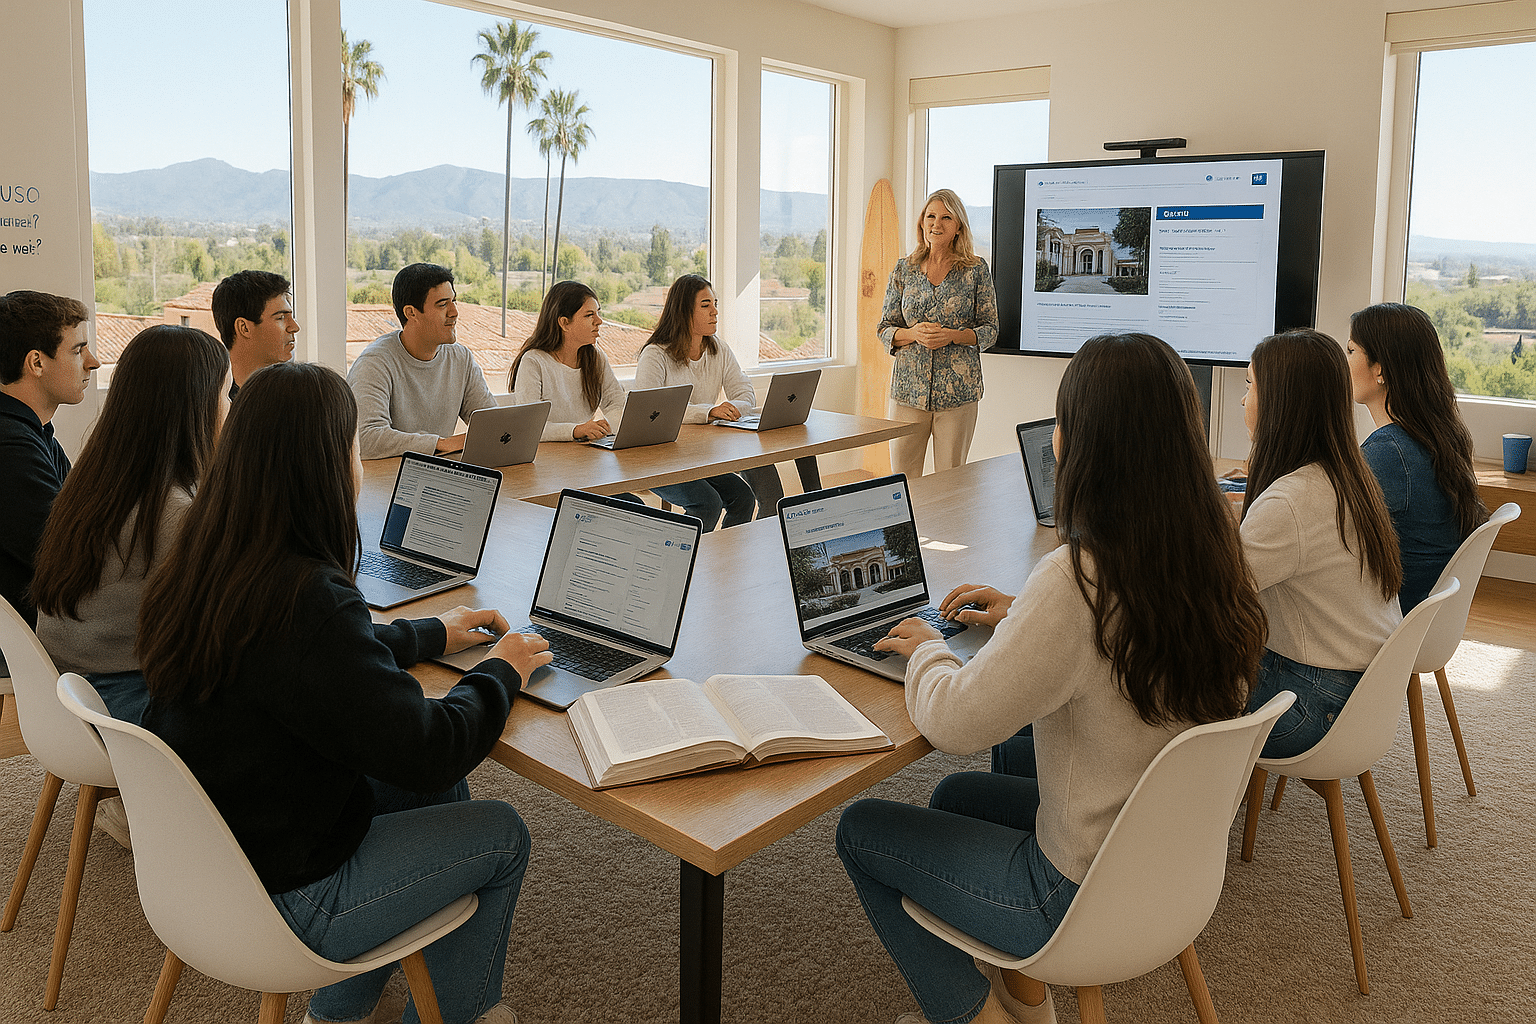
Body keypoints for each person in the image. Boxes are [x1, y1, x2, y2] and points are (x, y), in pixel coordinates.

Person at [837, 333, 1266, 1024]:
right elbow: (1106, 652)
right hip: (1170, 868)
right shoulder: (1217, 558)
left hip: (1075, 895)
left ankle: (984, 1020)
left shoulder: (1079, 581)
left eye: (1063, 421)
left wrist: (925, 650)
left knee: (860, 829)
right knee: (957, 795)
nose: (1057, 436)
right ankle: (1026, 1002)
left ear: (1090, 443)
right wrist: (1019, 619)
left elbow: (953, 722)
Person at [137, 361, 550, 1024]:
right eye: (354, 447)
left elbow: (313, 665)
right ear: (326, 465)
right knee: (501, 834)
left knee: (428, 798)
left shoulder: (211, 566)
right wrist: (501, 670)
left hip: (214, 862)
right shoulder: (307, 596)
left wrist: (430, 635)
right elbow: (429, 749)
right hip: (287, 898)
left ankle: (340, 1014)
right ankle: (460, 1014)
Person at [33, 326, 230, 728]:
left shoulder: (98, 478)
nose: (232, 408)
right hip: (123, 703)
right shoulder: (172, 511)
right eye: (227, 394)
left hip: (68, 689)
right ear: (199, 404)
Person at [1239, 328, 1403, 758]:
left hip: (1312, 703)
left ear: (1279, 401)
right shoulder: (1346, 473)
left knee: (1149, 702)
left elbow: (1212, 599)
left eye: (1250, 385)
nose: (1243, 400)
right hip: (1357, 692)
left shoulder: (1290, 502)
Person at [1348, 302, 1488, 611]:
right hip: (1421, 620)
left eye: (1351, 351)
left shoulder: (1388, 454)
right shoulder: (1437, 438)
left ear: (1379, 368)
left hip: (1389, 621)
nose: (1345, 363)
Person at [0, 290, 96, 678]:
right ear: (36, 362)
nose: (93, 362)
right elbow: (70, 556)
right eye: (78, 351)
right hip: (32, 650)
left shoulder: (36, 435)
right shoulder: (10, 445)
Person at [878, 188, 998, 478]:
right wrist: (913, 333)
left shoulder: (976, 270)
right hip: (908, 394)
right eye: (930, 216)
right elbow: (885, 328)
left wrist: (953, 335)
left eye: (946, 217)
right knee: (903, 484)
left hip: (958, 395)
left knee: (950, 484)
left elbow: (990, 330)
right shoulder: (903, 269)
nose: (936, 224)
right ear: (921, 223)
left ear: (958, 227)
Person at [633, 274, 757, 531]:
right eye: (705, 305)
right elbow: (649, 413)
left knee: (744, 497)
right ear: (683, 312)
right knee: (707, 503)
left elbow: (746, 394)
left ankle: (722, 561)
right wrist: (709, 412)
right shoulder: (655, 355)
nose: (715, 312)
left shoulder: (718, 350)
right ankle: (685, 563)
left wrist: (732, 410)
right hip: (656, 459)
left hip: (699, 456)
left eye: (715, 303)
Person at [348, 262, 497, 459]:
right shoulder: (374, 363)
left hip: (437, 475)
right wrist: (441, 444)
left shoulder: (461, 358)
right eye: (443, 304)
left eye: (454, 301)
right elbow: (365, 439)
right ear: (411, 313)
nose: (454, 312)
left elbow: (492, 424)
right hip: (387, 483)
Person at [509, 281, 628, 443]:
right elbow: (530, 426)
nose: (599, 321)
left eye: (598, 313)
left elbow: (616, 405)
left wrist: (610, 425)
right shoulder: (534, 361)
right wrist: (576, 430)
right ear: (564, 322)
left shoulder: (596, 358)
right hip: (548, 459)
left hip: (584, 454)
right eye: (589, 315)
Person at [211, 269, 300, 397]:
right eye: (280, 318)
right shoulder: (210, 402)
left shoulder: (294, 393)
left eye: (292, 317)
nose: (295, 327)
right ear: (244, 328)